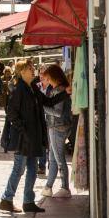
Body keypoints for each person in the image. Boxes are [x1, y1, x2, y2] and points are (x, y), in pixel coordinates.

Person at [0, 58, 64, 214]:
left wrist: (65, 93)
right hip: (23, 138)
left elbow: (48, 102)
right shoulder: (19, 89)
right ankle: (6, 199)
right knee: (19, 169)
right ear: (22, 72)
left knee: (33, 169)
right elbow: (12, 114)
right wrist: (23, 130)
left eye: (33, 67)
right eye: (30, 68)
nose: (33, 70)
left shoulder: (33, 88)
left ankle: (28, 201)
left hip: (34, 137)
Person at [41, 64, 73, 198]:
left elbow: (57, 112)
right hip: (56, 127)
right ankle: (48, 187)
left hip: (57, 127)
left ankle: (65, 187)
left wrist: (42, 107)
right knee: (53, 159)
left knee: (58, 159)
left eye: (47, 77)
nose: (46, 80)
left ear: (53, 77)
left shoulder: (59, 90)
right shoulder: (57, 89)